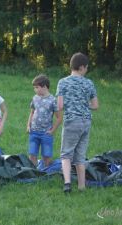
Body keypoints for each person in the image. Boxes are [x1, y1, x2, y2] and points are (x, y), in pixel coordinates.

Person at [56, 52, 98, 193]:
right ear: (81, 67)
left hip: (71, 121)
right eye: (86, 67)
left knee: (66, 154)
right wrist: (85, 105)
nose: (86, 70)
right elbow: (95, 106)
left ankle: (67, 184)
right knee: (80, 156)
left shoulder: (63, 82)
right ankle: (81, 186)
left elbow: (60, 106)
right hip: (86, 121)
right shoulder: (89, 83)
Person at [26, 74, 62, 167]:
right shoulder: (35, 98)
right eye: (34, 87)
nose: (35, 90)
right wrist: (28, 125)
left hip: (46, 133)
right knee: (32, 154)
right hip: (33, 132)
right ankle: (34, 172)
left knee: (46, 156)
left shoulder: (53, 100)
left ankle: (46, 173)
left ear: (45, 87)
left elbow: (59, 118)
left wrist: (52, 131)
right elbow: (32, 112)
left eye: (36, 87)